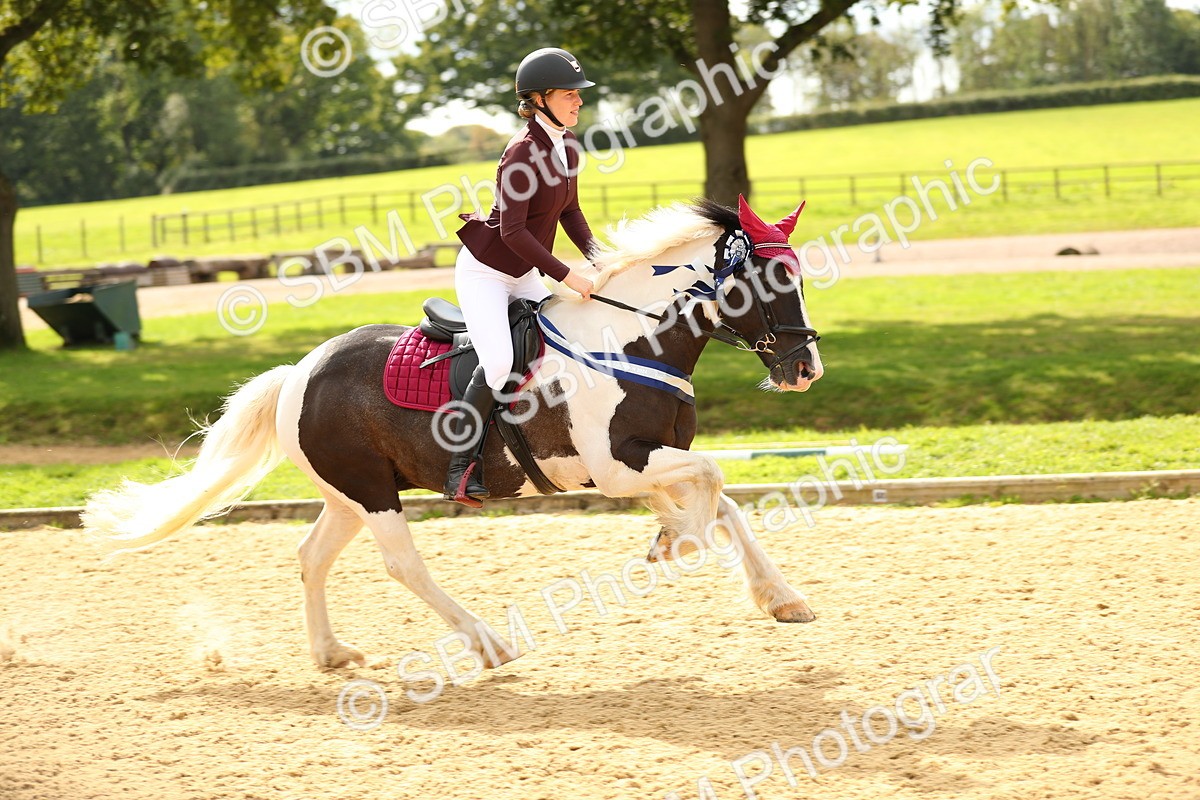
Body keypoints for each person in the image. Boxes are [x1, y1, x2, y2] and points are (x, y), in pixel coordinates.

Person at [444, 47, 598, 505]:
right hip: (487, 273)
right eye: (570, 94)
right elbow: (511, 232)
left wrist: (601, 258)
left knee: (565, 342)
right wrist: (568, 275)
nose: (579, 101)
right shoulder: (520, 154)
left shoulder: (567, 146)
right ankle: (460, 467)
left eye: (578, 94)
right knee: (498, 364)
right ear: (540, 98)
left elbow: (569, 210)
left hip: (526, 271)